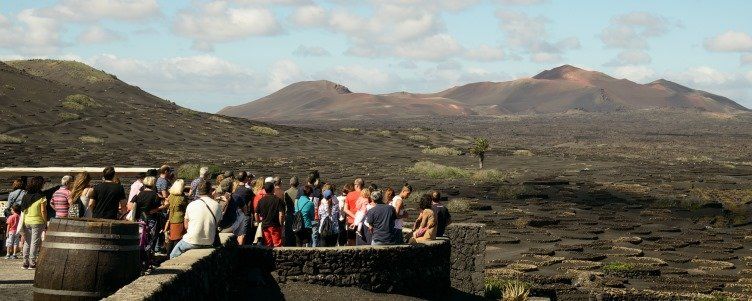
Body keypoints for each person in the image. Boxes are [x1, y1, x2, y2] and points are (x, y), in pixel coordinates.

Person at [170, 180, 222, 259]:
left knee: (172, 255)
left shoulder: (191, 204)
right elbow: (217, 225)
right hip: (209, 241)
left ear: (198, 191)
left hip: (192, 240)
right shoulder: (217, 205)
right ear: (211, 191)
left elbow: (186, 226)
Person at [132, 176, 161, 269]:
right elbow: (157, 207)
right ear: (153, 184)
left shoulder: (140, 194)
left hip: (140, 220)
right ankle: (147, 261)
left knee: (141, 239)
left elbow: (131, 204)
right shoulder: (155, 195)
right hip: (151, 219)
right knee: (150, 240)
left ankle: (140, 260)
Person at [19, 176, 47, 269]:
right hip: (38, 221)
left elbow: (23, 209)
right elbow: (43, 211)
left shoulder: (25, 196)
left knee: (27, 242)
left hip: (27, 221)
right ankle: (32, 263)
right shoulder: (41, 196)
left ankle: (25, 263)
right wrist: (45, 221)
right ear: (40, 184)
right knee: (34, 242)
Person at [255, 182, 285, 248]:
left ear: (265, 190)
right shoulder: (278, 200)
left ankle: (269, 257)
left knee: (267, 245)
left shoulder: (261, 200)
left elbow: (256, 213)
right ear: (273, 189)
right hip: (275, 225)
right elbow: (281, 214)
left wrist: (258, 222)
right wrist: (281, 224)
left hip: (265, 225)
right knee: (277, 245)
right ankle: (277, 258)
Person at [164, 179, 187, 255]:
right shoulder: (182, 197)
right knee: (177, 239)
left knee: (171, 239)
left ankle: (168, 255)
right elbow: (186, 208)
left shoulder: (170, 196)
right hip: (179, 219)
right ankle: (173, 255)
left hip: (171, 218)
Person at [343, 178, 363, 245]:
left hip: (351, 221)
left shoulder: (349, 194)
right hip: (362, 221)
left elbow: (345, 209)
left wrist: (355, 217)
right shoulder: (366, 194)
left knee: (351, 242)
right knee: (363, 242)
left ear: (357, 185)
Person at [283, 176, 299, 246]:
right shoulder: (299, 192)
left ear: (290, 183)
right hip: (297, 215)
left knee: (288, 234)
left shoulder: (286, 192)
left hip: (289, 214)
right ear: (297, 183)